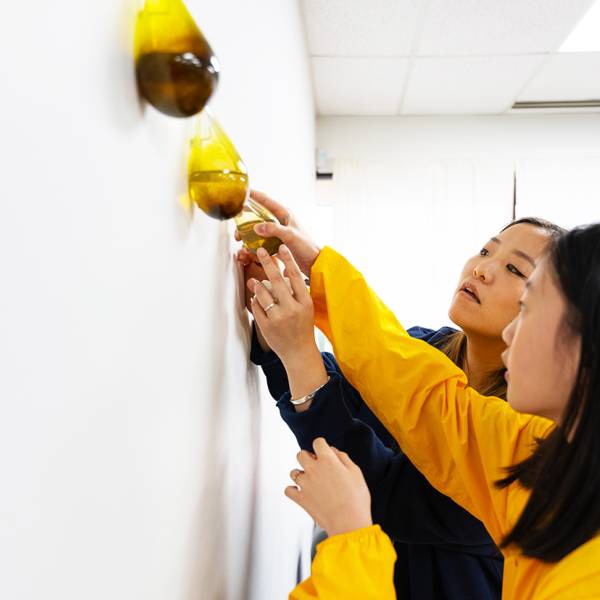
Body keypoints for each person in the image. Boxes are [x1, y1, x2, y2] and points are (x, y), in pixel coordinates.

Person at [248, 218, 600, 599]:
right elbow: (414, 386)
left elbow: (392, 481)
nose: (513, 332)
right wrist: (315, 273)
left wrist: (352, 536)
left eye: (531, 309)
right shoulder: (538, 450)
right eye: (485, 250)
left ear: (585, 348)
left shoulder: (580, 562)